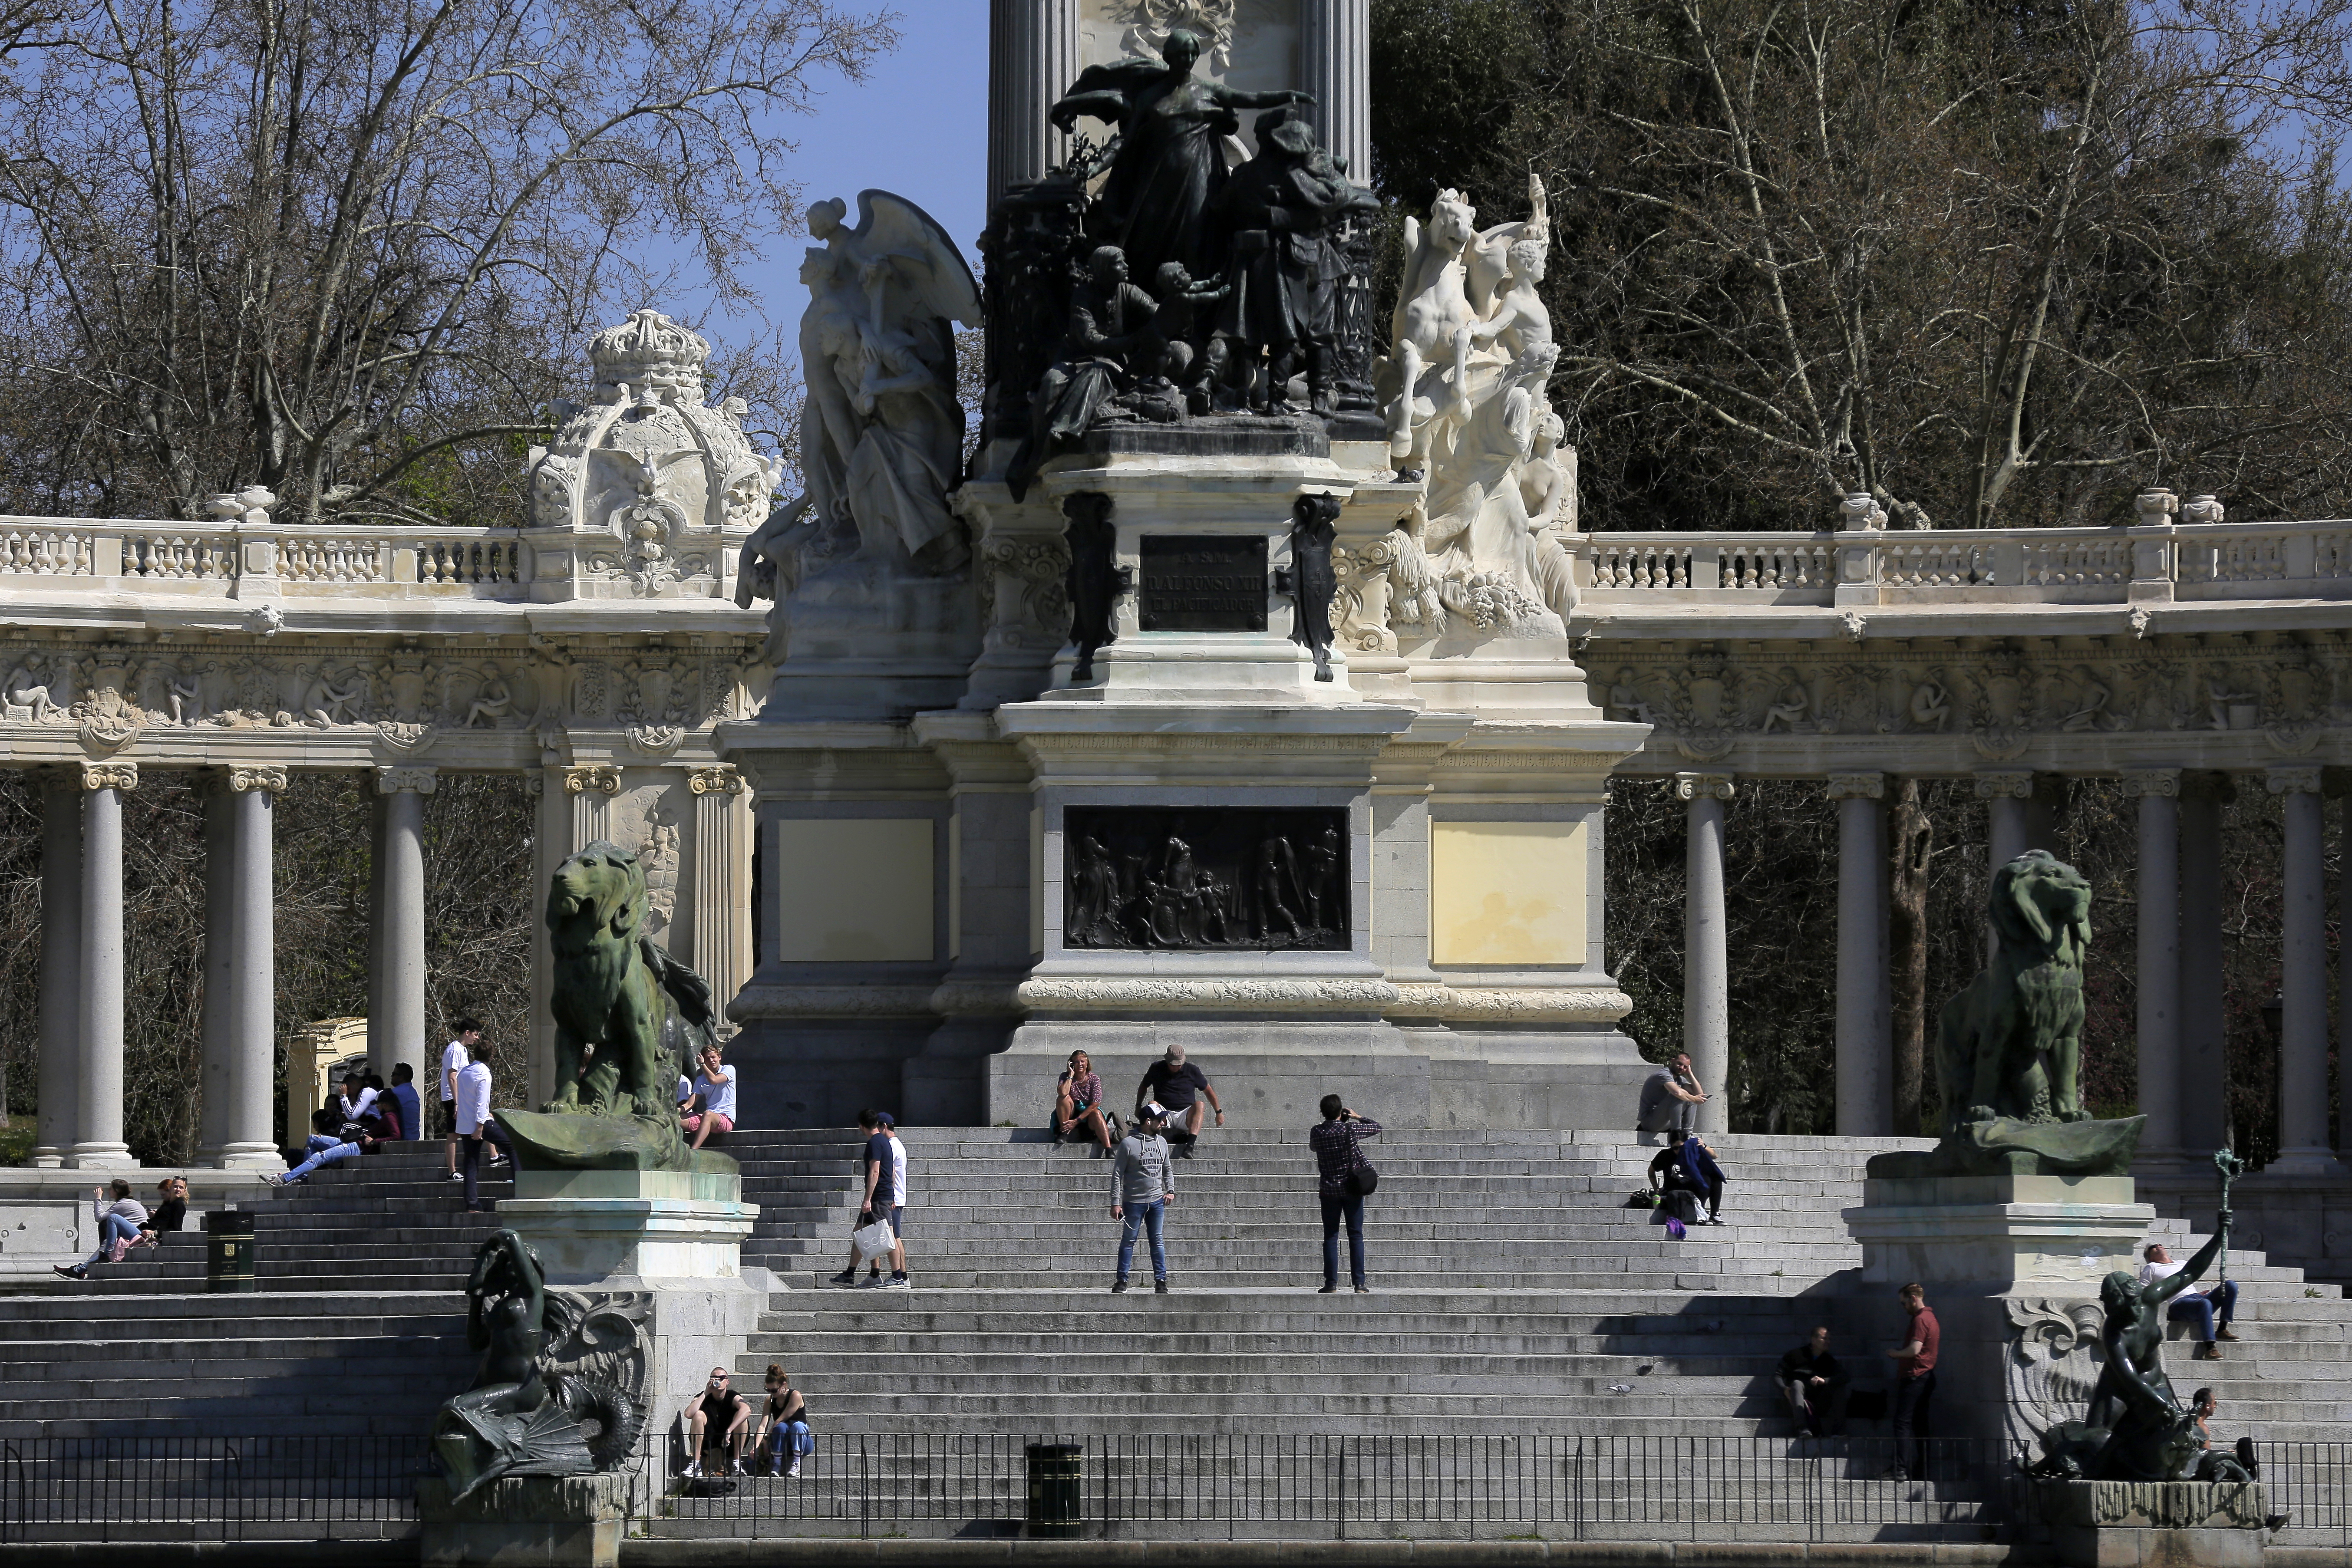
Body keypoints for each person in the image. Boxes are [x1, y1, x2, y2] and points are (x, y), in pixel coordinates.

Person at [829, 1110, 909, 1289]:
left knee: (889, 1236)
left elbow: (875, 1171)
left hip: (878, 1198)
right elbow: (893, 1172)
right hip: (883, 1196)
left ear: (861, 1126)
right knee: (860, 1233)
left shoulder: (875, 1143)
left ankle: (897, 1277)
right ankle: (850, 1274)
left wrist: (868, 1199)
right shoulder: (885, 1142)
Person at [1310, 1094, 1379, 1294]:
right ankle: (1359, 1283)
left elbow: (1313, 1147)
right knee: (1356, 1235)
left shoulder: (1317, 1132)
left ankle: (1331, 1284)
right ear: (1342, 1112)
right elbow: (1377, 1127)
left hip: (1329, 1190)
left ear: (1322, 1113)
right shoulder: (1350, 1129)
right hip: (1352, 1189)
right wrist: (1357, 1117)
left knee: (1331, 1236)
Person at [1110, 1102, 1177, 1294]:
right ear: (1149, 1122)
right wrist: (1115, 1203)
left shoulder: (1162, 1143)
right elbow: (1117, 1174)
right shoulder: (1128, 1144)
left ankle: (1161, 1281)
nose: (1164, 1123)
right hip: (1133, 1203)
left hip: (1157, 1202)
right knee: (1128, 1241)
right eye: (1160, 1120)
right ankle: (1122, 1280)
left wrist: (1170, 1190)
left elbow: (1167, 1169)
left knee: (1157, 1241)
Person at [2140, 1241, 2240, 1360]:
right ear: (2150, 1257)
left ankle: (2222, 1329)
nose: (2158, 1246)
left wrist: (2196, 1295)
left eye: (2159, 1244)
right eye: (2153, 1248)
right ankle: (2210, 1348)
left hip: (2195, 1298)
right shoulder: (2152, 1267)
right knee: (2205, 1303)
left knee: (2230, 1285)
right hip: (2176, 1304)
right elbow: (2143, 1290)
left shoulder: (2182, 1263)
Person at [1886, 1282, 1940, 1481]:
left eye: (1904, 1303)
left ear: (1913, 1299)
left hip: (1916, 1376)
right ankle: (1922, 1469)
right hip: (1926, 1376)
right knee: (1920, 1424)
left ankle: (1900, 1468)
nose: (1904, 1307)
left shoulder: (1920, 1320)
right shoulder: (1931, 1318)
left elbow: (1914, 1350)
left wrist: (1896, 1354)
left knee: (1902, 1423)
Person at [1135, 1044, 1223, 1157]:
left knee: (1200, 1105)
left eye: (1179, 1064)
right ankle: (1152, 1142)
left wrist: (1218, 1112)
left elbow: (1208, 1091)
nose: (1176, 1067)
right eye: (1172, 1064)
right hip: (1164, 1114)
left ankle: (1190, 1147)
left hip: (1185, 1114)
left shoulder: (1192, 1070)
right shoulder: (1157, 1068)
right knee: (1152, 1104)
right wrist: (1138, 1106)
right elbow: (1144, 1086)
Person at [455, 1054, 516, 1214]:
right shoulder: (484, 1073)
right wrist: (481, 1127)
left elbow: (465, 1100)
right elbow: (481, 1102)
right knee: (512, 1146)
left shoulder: (464, 1072)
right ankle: (521, 1189)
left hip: (466, 1124)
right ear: (491, 1057)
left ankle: (472, 1204)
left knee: (471, 1162)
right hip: (480, 1124)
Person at [53, 1179, 149, 1278]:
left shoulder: (124, 1204)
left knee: (113, 1218)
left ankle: (103, 1255)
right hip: (135, 1235)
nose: (109, 1190)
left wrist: (98, 1198)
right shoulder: (126, 1203)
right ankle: (80, 1269)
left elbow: (99, 1217)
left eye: (111, 1189)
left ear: (117, 1191)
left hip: (139, 1237)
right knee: (106, 1228)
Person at [264, 1107, 367, 1186]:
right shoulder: (376, 1121)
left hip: (356, 1146)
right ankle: (304, 1177)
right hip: (352, 1141)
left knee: (317, 1157)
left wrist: (373, 1141)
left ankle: (284, 1179)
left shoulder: (378, 1121)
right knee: (312, 1139)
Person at [1778, 1326, 1850, 1437]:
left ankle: (1838, 1431)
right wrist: (1784, 1390)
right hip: (1795, 1404)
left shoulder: (1828, 1360)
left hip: (1818, 1404)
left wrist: (1825, 1381)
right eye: (1824, 1339)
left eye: (1829, 1339)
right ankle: (1802, 1429)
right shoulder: (1796, 1355)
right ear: (1813, 1340)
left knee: (1839, 1386)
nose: (1828, 1342)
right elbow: (1777, 1375)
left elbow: (1845, 1376)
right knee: (1797, 1383)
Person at [681, 1366, 751, 1478]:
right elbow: (688, 1414)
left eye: (721, 1378)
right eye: (714, 1378)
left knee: (742, 1419)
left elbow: (747, 1410)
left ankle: (737, 1463)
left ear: (727, 1382)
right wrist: (707, 1392)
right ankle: (696, 1464)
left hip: (730, 1441)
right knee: (698, 1415)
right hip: (708, 1442)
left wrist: (729, 1430)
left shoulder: (732, 1395)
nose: (717, 1380)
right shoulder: (703, 1396)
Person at [1647, 1129, 1725, 1225]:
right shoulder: (1665, 1155)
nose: (1679, 1151)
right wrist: (1656, 1189)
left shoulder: (1692, 1152)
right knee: (1706, 1180)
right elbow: (1651, 1172)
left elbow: (1715, 1156)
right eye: (1675, 1148)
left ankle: (1714, 1214)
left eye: (1682, 1147)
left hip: (1692, 1188)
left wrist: (1704, 1146)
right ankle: (1700, 1212)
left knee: (1715, 1178)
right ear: (1671, 1146)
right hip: (1675, 1190)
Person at [442, 1018, 482, 1181]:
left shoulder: (463, 1050)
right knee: (453, 1134)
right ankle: (452, 1171)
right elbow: (452, 1077)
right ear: (467, 1033)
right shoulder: (455, 1050)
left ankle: (493, 1156)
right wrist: (458, 1102)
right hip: (453, 1097)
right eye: (475, 1034)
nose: (477, 1038)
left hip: (461, 1097)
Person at [756, 1364, 813, 1479]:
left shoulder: (795, 1395)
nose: (771, 1393)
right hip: (783, 1442)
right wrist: (757, 1446)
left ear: (784, 1385)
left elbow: (782, 1418)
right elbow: (763, 1424)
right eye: (768, 1390)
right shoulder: (770, 1400)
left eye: (774, 1390)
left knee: (797, 1426)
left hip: (802, 1442)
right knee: (781, 1428)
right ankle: (777, 1464)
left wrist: (766, 1439)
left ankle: (796, 1463)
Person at [1635, 1053, 1707, 1141]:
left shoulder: (1680, 1080)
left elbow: (1699, 1094)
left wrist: (1690, 1074)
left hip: (1666, 1123)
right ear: (1672, 1061)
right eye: (1680, 1064)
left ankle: (1687, 1135)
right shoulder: (1663, 1074)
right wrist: (1695, 1099)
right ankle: (1676, 1136)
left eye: (1685, 1067)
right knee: (1680, 1095)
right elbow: (1678, 1093)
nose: (1682, 1068)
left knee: (1690, 1096)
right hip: (1650, 1122)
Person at [1054, 1050, 1114, 1153]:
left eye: (1082, 1061)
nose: (1080, 1064)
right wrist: (1071, 1075)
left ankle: (1109, 1149)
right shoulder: (1065, 1076)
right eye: (1077, 1062)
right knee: (1063, 1098)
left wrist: (1077, 1121)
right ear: (1072, 1064)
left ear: (1087, 1064)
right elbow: (1063, 1093)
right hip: (1071, 1112)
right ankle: (1065, 1132)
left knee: (1097, 1113)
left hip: (1088, 1114)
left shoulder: (1094, 1079)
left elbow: (1095, 1104)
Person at [681, 1043, 738, 1152]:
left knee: (708, 1114)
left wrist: (702, 1064)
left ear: (719, 1058)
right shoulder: (701, 1079)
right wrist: (673, 1111)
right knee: (674, 1119)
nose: (711, 1061)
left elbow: (714, 1080)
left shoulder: (729, 1069)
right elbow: (689, 1104)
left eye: (713, 1057)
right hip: (706, 1119)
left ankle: (693, 1151)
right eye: (708, 1059)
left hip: (725, 1119)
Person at [132, 1176, 189, 1250]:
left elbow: (176, 1229)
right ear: (171, 1189)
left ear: (184, 1191)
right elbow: (165, 1222)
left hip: (148, 1235)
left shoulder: (178, 1205)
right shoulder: (169, 1203)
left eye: (181, 1188)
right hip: (144, 1231)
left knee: (115, 1218)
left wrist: (155, 1233)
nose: (178, 1189)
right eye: (175, 1187)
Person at [387, 1062, 422, 1142]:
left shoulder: (395, 1093)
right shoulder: (414, 1093)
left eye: (394, 1074)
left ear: (402, 1077)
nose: (391, 1076)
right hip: (415, 1137)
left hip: (401, 1138)